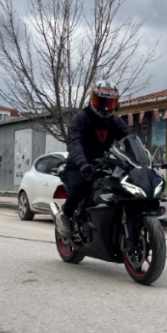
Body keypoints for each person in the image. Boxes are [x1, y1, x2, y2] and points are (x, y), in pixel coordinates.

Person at [56, 80, 129, 237]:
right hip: (78, 167)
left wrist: (141, 160)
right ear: (93, 99)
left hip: (106, 166)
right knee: (82, 185)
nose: (105, 107)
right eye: (102, 101)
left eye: (110, 103)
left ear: (115, 104)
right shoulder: (80, 119)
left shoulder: (117, 122)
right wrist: (83, 164)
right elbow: (74, 143)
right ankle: (65, 215)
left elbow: (129, 141)